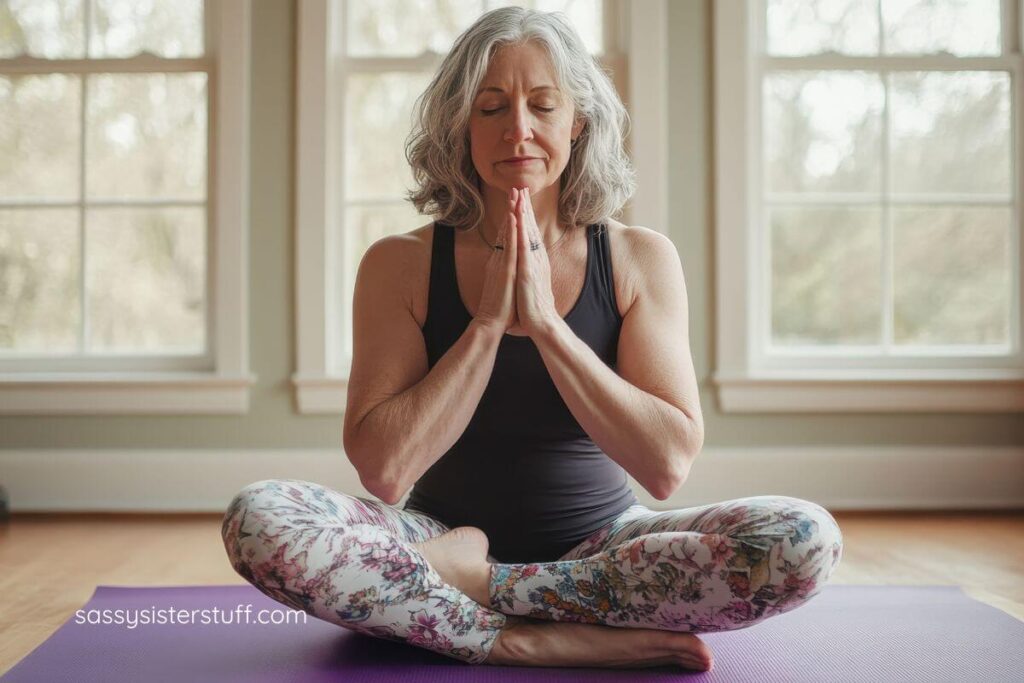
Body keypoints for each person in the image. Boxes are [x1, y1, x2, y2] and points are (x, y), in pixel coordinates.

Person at [222, 6, 843, 672]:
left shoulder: (638, 258)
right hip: (435, 537)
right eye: (491, 108)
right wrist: (486, 324)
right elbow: (385, 470)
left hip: (601, 546)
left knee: (804, 539)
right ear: (461, 125)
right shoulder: (396, 265)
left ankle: (476, 599)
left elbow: (665, 467)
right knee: (257, 519)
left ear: (576, 122)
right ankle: (517, 636)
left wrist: (548, 325)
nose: (518, 129)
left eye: (541, 105)